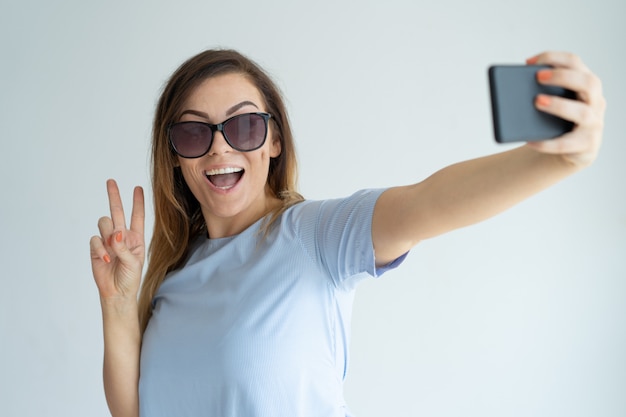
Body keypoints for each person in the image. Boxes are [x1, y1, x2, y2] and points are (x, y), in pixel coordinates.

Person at [89, 49, 605, 417]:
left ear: (273, 141)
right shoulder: (174, 278)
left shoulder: (312, 235)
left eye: (244, 126)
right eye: (194, 131)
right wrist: (117, 306)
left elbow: (426, 203)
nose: (220, 149)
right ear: (175, 156)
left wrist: (559, 162)